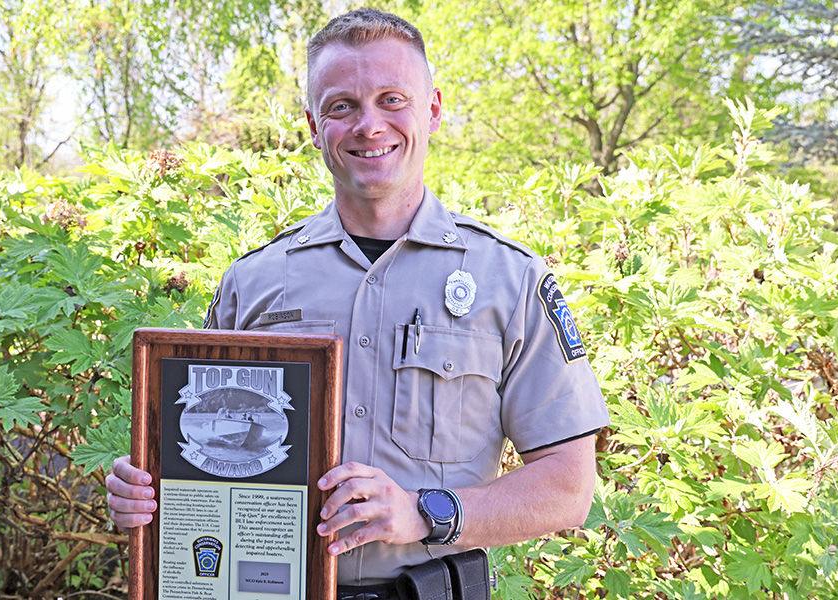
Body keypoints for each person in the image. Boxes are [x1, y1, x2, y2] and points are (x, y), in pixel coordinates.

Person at [106, 8, 609, 598]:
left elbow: (568, 489)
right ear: (315, 127)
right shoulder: (254, 281)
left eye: (392, 99)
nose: (370, 125)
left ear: (433, 109)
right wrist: (147, 499)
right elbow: (201, 465)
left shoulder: (510, 279)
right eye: (342, 106)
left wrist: (426, 512)